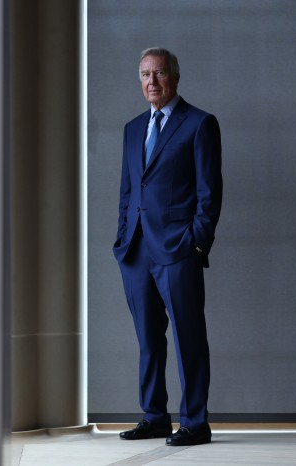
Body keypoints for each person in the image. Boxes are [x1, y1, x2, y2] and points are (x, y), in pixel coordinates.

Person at [112, 47, 222, 447]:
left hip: (178, 250)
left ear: (174, 77)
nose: (151, 82)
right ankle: (155, 416)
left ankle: (195, 422)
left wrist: (196, 243)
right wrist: (123, 238)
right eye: (144, 75)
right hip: (137, 251)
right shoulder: (132, 128)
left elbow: (210, 194)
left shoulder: (199, 124)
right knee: (148, 337)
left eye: (158, 73)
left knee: (189, 337)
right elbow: (128, 190)